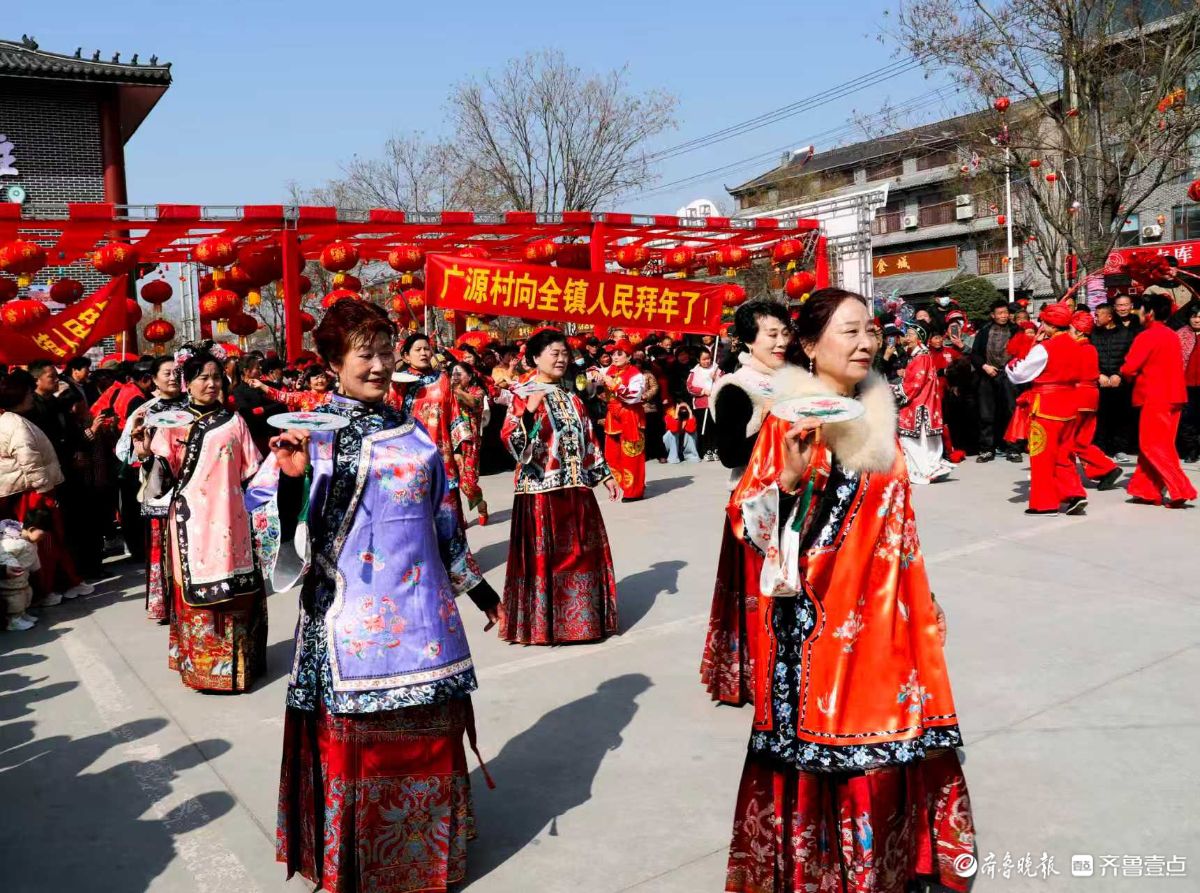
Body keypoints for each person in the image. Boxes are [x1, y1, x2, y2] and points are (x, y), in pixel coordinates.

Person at [724, 287, 973, 893]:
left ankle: (894, 868)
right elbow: (745, 523)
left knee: (899, 739)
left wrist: (923, 592)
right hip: (824, 626)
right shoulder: (791, 416)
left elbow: (899, 525)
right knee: (838, 748)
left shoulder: (876, 410)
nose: (866, 343)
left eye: (871, 331)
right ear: (808, 346)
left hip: (893, 613)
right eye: (849, 332)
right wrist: (785, 481)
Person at [248, 300, 498, 893]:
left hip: (425, 621)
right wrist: (290, 483)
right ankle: (360, 867)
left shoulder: (414, 431)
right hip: (349, 626)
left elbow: (444, 523)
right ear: (334, 361)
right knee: (358, 750)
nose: (382, 364)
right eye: (367, 354)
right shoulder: (309, 435)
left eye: (387, 351)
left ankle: (425, 861)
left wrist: (479, 589)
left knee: (430, 738)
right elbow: (270, 527)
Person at [131, 346, 267, 692]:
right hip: (192, 521)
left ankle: (241, 666)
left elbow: (254, 472)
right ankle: (204, 668)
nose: (210, 383)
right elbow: (161, 481)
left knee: (238, 587)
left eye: (215, 377)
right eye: (202, 377)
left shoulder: (235, 421)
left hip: (233, 519)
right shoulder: (171, 424)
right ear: (187, 383)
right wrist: (146, 452)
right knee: (198, 590)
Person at [499, 329, 620, 645]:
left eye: (564, 353)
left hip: (577, 487)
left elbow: (589, 440)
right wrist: (528, 413)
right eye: (554, 353)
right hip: (541, 490)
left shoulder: (572, 398)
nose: (561, 359)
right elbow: (512, 442)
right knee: (549, 560)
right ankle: (544, 626)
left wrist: (605, 475)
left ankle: (582, 623)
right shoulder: (522, 393)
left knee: (581, 553)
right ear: (536, 357)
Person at [700, 299, 793, 706]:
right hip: (756, 508)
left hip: (797, 500)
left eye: (783, 333)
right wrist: (768, 418)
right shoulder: (736, 386)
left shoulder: (793, 379)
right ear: (749, 341)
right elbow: (731, 454)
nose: (780, 342)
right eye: (771, 335)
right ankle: (759, 677)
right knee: (762, 596)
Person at [116, 356, 185, 623]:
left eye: (177, 372)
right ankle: (166, 604)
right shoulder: (146, 411)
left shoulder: (195, 406)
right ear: (153, 379)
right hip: (160, 489)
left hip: (194, 487)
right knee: (164, 546)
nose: (172, 377)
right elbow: (123, 450)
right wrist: (143, 450)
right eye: (166, 373)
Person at [1006, 303, 1086, 515]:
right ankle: (1074, 493)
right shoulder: (1075, 344)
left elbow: (1019, 374)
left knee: (1041, 456)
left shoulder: (1045, 348)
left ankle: (1045, 503)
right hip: (1070, 404)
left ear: (1050, 325)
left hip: (1047, 406)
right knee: (1064, 454)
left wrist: (1015, 360)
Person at [1119, 293, 1197, 507]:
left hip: (1155, 397)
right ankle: (1146, 490)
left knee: (1153, 445)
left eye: (1140, 309)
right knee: (1159, 444)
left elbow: (1129, 367)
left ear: (1150, 313)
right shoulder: (1172, 334)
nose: (1138, 313)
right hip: (1174, 396)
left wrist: (1126, 374)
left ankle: (1180, 488)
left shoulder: (1147, 336)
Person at [0, 371, 64, 612]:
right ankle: (41, 591)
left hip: (12, 491)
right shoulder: (14, 423)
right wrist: (45, 488)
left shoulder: (9, 420)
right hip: (28, 492)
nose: (31, 397)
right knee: (37, 543)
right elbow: (30, 460)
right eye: (28, 393)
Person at [1066, 311, 1121, 491]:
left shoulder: (1074, 349)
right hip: (1091, 396)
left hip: (1076, 396)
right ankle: (1105, 469)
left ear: (1080, 332)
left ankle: (1070, 478)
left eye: (1070, 329)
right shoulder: (1090, 347)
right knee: (1082, 440)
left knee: (1068, 440)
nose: (1067, 332)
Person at [895, 322, 953, 484]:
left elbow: (914, 384)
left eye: (911, 335)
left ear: (919, 339)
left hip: (918, 405)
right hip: (926, 403)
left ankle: (922, 471)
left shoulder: (920, 358)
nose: (908, 338)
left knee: (914, 440)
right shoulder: (921, 356)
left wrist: (894, 391)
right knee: (924, 439)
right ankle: (930, 467)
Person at [971, 298, 1020, 462]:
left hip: (1009, 375)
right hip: (987, 374)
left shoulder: (1015, 330)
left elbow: (1022, 351)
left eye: (1005, 312)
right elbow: (975, 354)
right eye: (1000, 313)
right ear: (993, 315)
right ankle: (987, 449)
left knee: (1011, 411)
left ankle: (1012, 448)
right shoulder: (984, 332)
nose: (1004, 316)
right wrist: (984, 366)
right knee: (986, 414)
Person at [1093, 295, 1141, 459]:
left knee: (1122, 415)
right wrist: (1098, 375)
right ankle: (1101, 447)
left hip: (1121, 381)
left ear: (1109, 316)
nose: (1096, 318)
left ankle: (1120, 447)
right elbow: (1090, 358)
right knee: (1101, 416)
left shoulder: (1127, 334)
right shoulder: (1093, 335)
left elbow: (1132, 357)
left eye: (1098, 315)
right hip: (1100, 381)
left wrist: (1119, 374)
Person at [603, 339, 647, 501]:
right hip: (613, 418)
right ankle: (624, 484)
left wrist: (613, 385)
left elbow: (633, 397)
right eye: (613, 353)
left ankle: (634, 491)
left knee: (631, 454)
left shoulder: (636, 374)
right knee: (612, 454)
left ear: (628, 357)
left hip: (630, 417)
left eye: (619, 354)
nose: (615, 357)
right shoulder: (610, 370)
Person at [449, 355, 490, 525]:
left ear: (470, 376)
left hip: (469, 442)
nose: (455, 377)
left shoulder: (477, 391)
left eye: (459, 374)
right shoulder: (446, 392)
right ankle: (460, 517)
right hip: (450, 442)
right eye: (453, 374)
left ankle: (481, 504)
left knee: (469, 482)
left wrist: (456, 390)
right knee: (451, 484)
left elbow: (474, 403)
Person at [253, 366, 333, 412]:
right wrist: (261, 385)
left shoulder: (333, 395)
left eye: (322, 377)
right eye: (316, 378)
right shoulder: (303, 396)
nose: (320, 380)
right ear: (309, 383)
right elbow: (281, 396)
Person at [687, 347, 719, 460]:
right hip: (701, 404)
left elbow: (726, 382)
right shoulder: (694, 372)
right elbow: (690, 387)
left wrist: (717, 379)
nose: (707, 361)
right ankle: (706, 450)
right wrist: (703, 391)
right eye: (704, 359)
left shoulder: (716, 369)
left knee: (715, 427)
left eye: (708, 358)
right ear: (698, 360)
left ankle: (716, 449)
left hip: (715, 403)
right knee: (705, 428)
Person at [1177, 305, 1200, 462]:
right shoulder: (1180, 335)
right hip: (1186, 384)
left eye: (1199, 316)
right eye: (1194, 316)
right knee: (1187, 420)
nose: (1197, 320)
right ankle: (1192, 450)